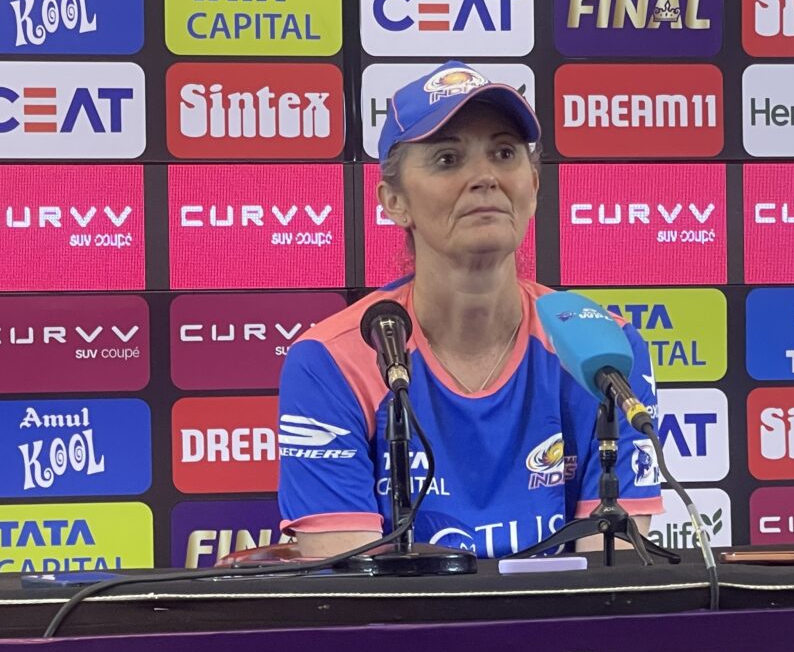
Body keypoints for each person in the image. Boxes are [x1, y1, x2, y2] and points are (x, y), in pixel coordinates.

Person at [277, 61, 662, 561]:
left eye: (504, 153)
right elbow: (356, 593)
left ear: (534, 186)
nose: (485, 177)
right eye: (447, 159)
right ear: (394, 201)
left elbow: (610, 582)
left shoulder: (605, 349)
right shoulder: (330, 363)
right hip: (406, 635)